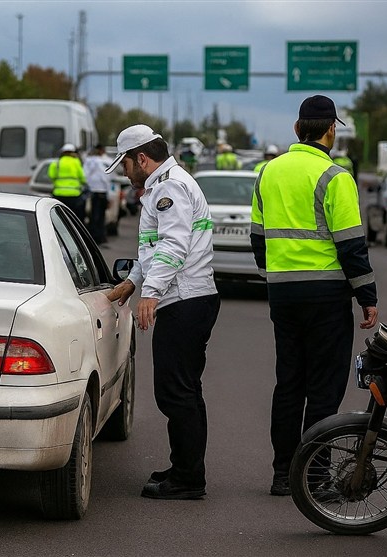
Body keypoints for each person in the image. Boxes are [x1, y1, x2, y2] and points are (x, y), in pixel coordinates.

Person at [249, 95, 378, 496]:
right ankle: (315, 477)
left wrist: (276, 275)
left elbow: (258, 237)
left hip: (283, 295)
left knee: (289, 383)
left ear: (295, 129)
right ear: (331, 131)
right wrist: (366, 296)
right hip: (325, 296)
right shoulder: (335, 177)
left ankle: (283, 474)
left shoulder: (267, 173)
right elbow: (351, 245)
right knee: (323, 390)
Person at [106, 124, 220, 500]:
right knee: (184, 390)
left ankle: (188, 479)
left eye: (124, 162)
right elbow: (154, 248)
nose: (124, 170)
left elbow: (174, 243)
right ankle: (186, 468)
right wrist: (133, 280)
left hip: (185, 298)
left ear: (142, 158)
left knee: (176, 392)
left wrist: (149, 294)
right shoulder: (164, 184)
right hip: (189, 298)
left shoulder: (169, 186)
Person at [48, 143, 87, 223]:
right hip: (74, 195)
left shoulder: (57, 163)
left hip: (59, 194)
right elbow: (83, 178)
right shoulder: (76, 162)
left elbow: (51, 175)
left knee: (59, 218)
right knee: (73, 218)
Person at [83, 144, 111, 245]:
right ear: (101, 150)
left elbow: (85, 175)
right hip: (101, 191)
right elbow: (106, 178)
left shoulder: (89, 161)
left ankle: (94, 237)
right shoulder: (104, 161)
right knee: (100, 216)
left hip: (93, 191)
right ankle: (99, 237)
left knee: (94, 216)